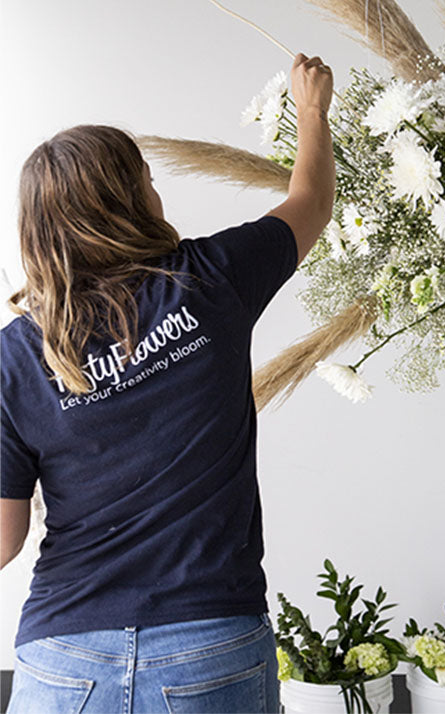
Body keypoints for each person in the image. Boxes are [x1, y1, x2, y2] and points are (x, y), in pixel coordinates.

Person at [0, 53, 335, 714]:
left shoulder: (13, 359)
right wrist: (312, 112)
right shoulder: (212, 280)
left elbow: (4, 539)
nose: (158, 193)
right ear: (130, 201)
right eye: (148, 180)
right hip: (210, 645)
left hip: (65, 660)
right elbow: (312, 203)